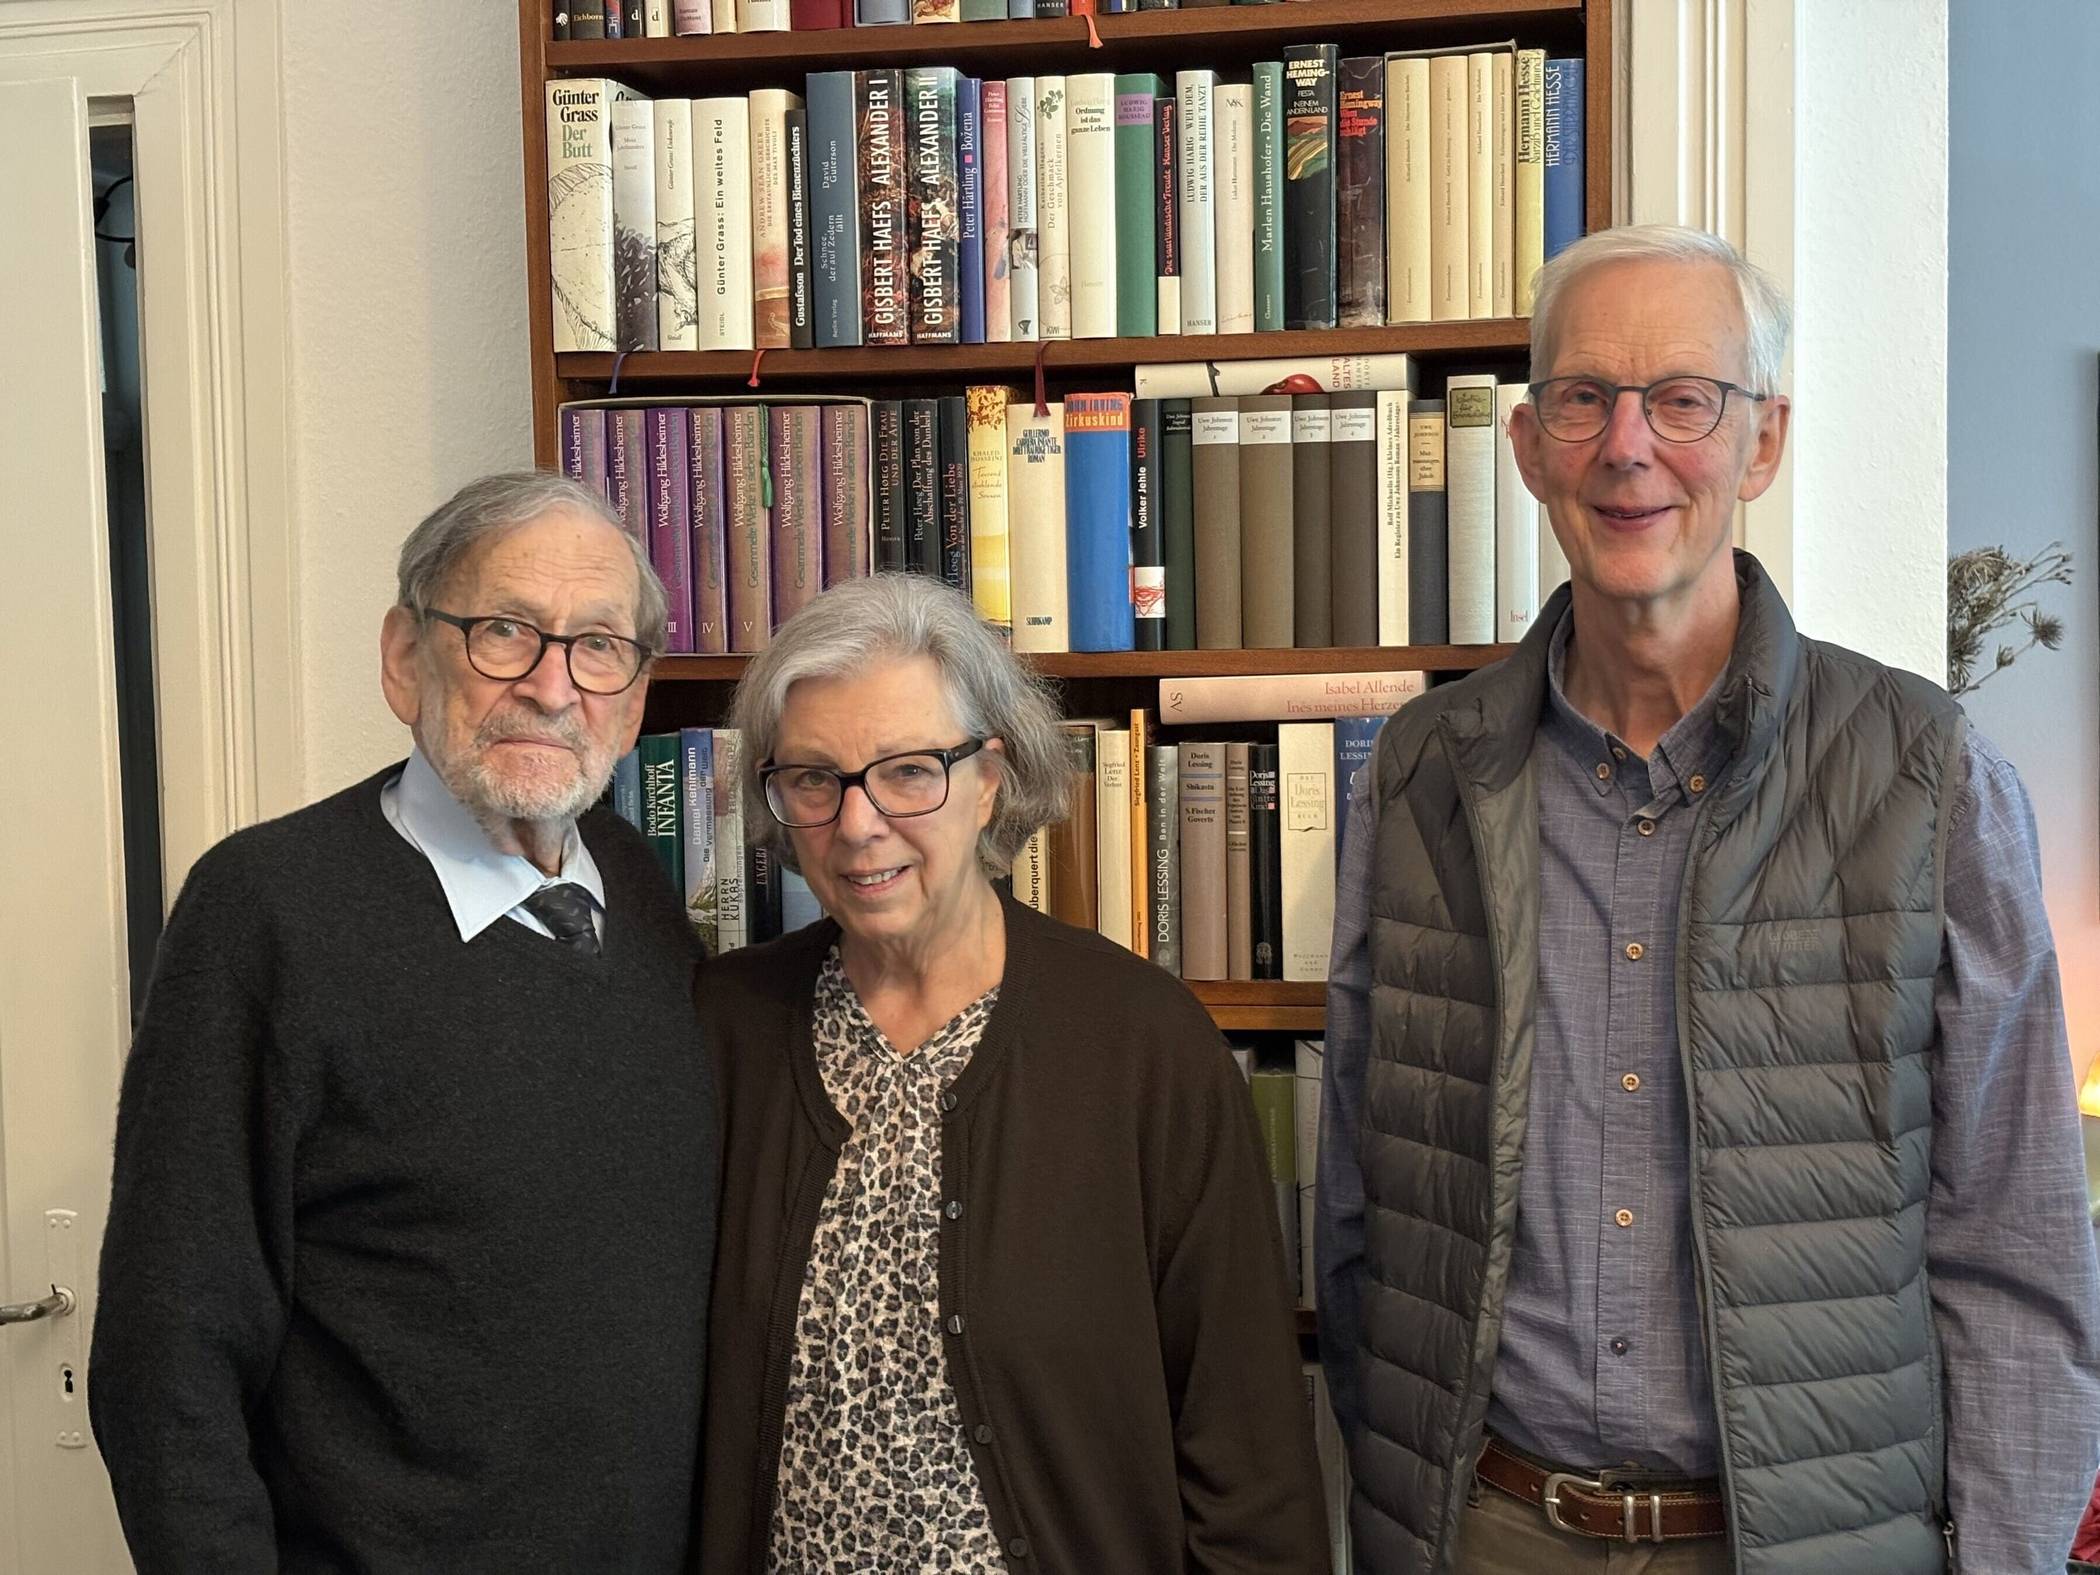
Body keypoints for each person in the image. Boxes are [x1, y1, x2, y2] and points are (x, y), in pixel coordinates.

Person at [1316, 225, 2100, 1574]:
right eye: (1583, 397)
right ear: (1528, 445)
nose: (1630, 445)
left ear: (1763, 443)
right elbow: (1362, 1205)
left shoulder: (1928, 773)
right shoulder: (1421, 773)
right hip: (1489, 1530)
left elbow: (2016, 1247)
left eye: (1685, 399)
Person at [90, 472, 718, 1572]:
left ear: (637, 694)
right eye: (504, 633)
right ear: (403, 656)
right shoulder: (268, 911)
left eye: (597, 647)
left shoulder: (643, 897)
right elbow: (166, 1357)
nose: (551, 687)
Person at [697, 572, 1328, 1572]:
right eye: (814, 779)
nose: (858, 825)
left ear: (991, 777)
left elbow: (1245, 1442)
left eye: (907, 772)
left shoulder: (1142, 1045)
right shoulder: (723, 1031)